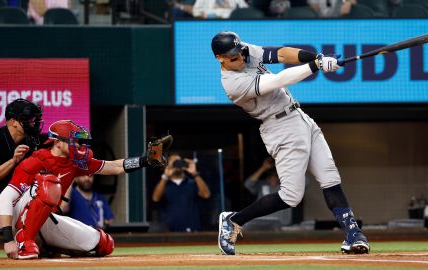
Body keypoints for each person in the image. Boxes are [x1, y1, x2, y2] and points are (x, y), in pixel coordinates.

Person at [212, 31, 370, 255]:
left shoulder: (245, 51)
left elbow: (283, 54)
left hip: (300, 116)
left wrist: (317, 57)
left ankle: (353, 234)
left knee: (330, 177)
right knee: (291, 196)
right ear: (221, 58)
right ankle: (234, 220)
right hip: (279, 127)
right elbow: (278, 79)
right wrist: (316, 66)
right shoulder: (232, 83)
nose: (241, 57)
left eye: (240, 52)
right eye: (234, 56)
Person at [0, 119, 171, 259]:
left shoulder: (74, 163)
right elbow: (4, 198)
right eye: (74, 141)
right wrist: (7, 240)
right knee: (49, 183)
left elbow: (114, 167)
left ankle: (46, 245)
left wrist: (144, 160)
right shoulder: (35, 160)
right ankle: (24, 239)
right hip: (18, 217)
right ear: (57, 142)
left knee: (104, 244)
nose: (79, 145)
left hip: (45, 219)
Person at [0, 98, 43, 211]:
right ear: (13, 122)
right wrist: (14, 160)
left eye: (34, 118)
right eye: (28, 119)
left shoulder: (30, 142)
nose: (33, 122)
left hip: (12, 196)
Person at [152, 153, 211, 232]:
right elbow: (156, 198)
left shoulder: (192, 183)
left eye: (178, 162)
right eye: (174, 162)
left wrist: (195, 174)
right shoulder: (163, 184)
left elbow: (206, 195)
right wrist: (165, 176)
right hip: (168, 230)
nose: (176, 164)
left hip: (191, 228)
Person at [244, 157, 292, 226]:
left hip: (282, 225)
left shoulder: (288, 186)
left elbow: (305, 182)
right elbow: (248, 184)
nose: (273, 177)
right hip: (263, 224)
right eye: (270, 174)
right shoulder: (261, 184)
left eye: (276, 174)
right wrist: (263, 168)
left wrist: (286, 166)